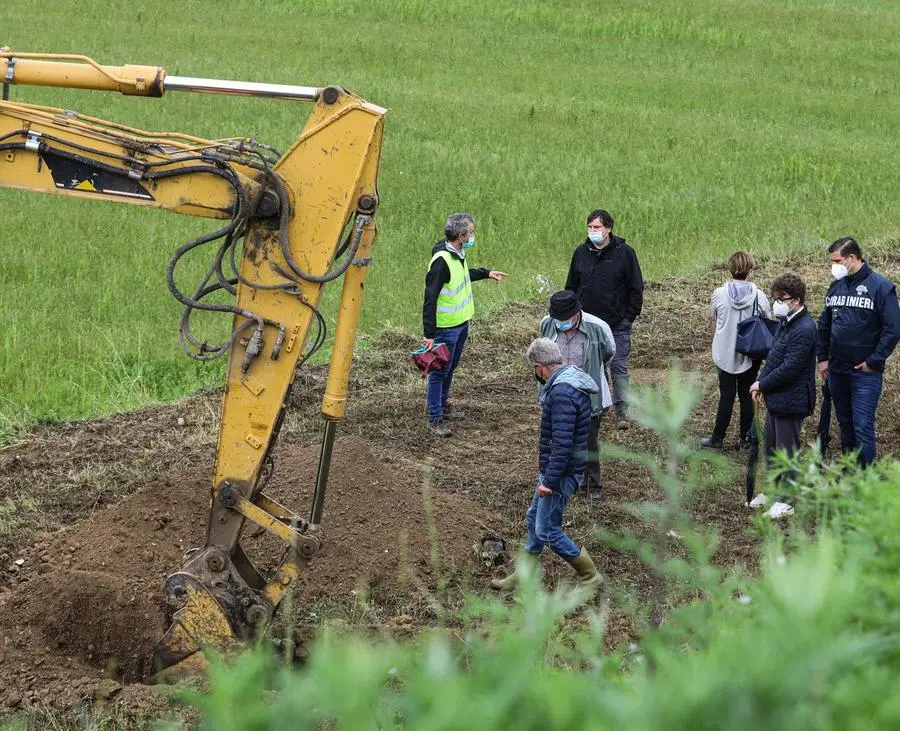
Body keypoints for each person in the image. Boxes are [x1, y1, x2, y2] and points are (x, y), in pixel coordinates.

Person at [491, 338, 602, 591]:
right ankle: (524, 574)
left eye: (535, 369)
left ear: (541, 367)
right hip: (558, 469)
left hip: (561, 473)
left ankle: (589, 575)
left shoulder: (562, 392)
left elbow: (562, 444)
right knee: (534, 518)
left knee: (547, 531)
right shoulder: (570, 381)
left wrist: (549, 482)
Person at [422, 212, 507, 437]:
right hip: (446, 328)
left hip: (461, 324)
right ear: (460, 236)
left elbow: (461, 276)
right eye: (471, 232)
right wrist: (429, 334)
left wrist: (486, 273)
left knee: (450, 368)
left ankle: (442, 406)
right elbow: (430, 298)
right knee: (439, 372)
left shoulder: (457, 253)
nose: (473, 235)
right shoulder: (441, 262)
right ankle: (435, 418)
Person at [816, 237, 900, 466]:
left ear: (852, 258)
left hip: (865, 374)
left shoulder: (881, 287)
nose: (833, 266)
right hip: (837, 370)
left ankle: (866, 479)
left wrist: (874, 361)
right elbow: (824, 325)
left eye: (837, 261)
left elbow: (893, 329)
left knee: (863, 425)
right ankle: (851, 472)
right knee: (845, 423)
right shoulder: (836, 287)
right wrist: (822, 358)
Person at [565, 209, 643, 429]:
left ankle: (623, 411)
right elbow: (571, 286)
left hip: (617, 322)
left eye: (597, 227)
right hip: (588, 323)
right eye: (590, 227)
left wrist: (629, 317)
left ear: (608, 228)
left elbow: (636, 288)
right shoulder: (581, 253)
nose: (593, 231)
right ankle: (598, 407)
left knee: (618, 365)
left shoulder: (625, 253)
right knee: (591, 365)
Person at [749, 274, 817, 519]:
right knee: (771, 447)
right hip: (777, 399)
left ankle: (787, 500)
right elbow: (774, 357)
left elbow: (789, 368)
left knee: (787, 451)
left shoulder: (805, 329)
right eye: (775, 298)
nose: (777, 302)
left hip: (792, 400)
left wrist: (763, 383)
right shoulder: (786, 322)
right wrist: (760, 382)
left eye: (782, 298)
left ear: (796, 300)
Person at [540, 290, 615, 501]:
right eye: (558, 319)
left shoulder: (597, 327)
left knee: (588, 441)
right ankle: (568, 481)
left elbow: (609, 353)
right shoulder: (547, 324)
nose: (561, 323)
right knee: (560, 440)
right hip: (559, 393)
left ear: (576, 313)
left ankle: (593, 484)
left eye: (565, 319)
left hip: (586, 395)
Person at [700, 251, 771, 450]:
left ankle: (718, 437)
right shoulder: (759, 295)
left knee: (726, 395)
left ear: (730, 268)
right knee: (747, 394)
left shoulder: (719, 294)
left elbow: (715, 317)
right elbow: (767, 318)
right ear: (750, 269)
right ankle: (746, 437)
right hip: (750, 353)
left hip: (724, 353)